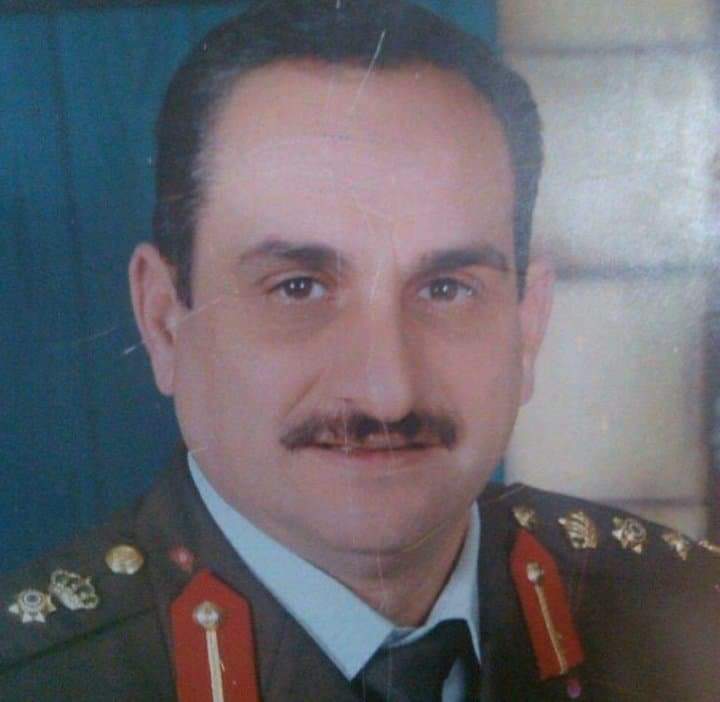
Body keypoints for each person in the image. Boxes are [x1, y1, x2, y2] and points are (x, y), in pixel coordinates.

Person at [1, 1, 718, 700]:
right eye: (299, 287)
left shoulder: (689, 620)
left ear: (527, 325)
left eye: (446, 289)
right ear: (164, 322)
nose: (387, 393)